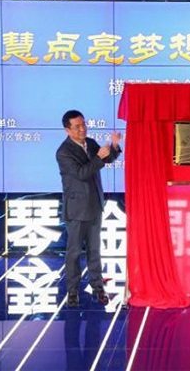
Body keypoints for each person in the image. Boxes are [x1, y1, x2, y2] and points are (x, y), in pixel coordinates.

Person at [56, 109, 122, 307]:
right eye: (77, 126)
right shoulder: (64, 152)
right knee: (74, 252)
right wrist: (99, 158)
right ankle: (73, 290)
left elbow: (106, 159)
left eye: (83, 124)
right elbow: (82, 173)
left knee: (94, 250)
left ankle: (97, 287)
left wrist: (114, 146)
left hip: (94, 205)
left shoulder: (90, 143)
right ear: (67, 130)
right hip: (77, 209)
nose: (82, 129)